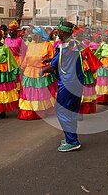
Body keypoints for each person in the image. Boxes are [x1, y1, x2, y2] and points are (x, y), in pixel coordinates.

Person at [42, 21, 84, 152]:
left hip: (68, 83)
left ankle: (72, 141)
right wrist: (51, 60)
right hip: (76, 83)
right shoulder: (74, 45)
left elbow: (54, 66)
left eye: (59, 31)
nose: (57, 33)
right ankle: (69, 137)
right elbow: (60, 59)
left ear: (65, 33)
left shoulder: (65, 48)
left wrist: (40, 71)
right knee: (71, 111)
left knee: (62, 111)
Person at [18, 27, 56, 120]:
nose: (32, 36)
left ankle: (41, 110)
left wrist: (48, 70)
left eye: (34, 34)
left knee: (41, 92)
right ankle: (29, 111)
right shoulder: (31, 44)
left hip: (42, 72)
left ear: (39, 35)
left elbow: (52, 59)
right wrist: (22, 68)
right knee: (29, 92)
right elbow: (27, 58)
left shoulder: (47, 45)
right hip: (29, 72)